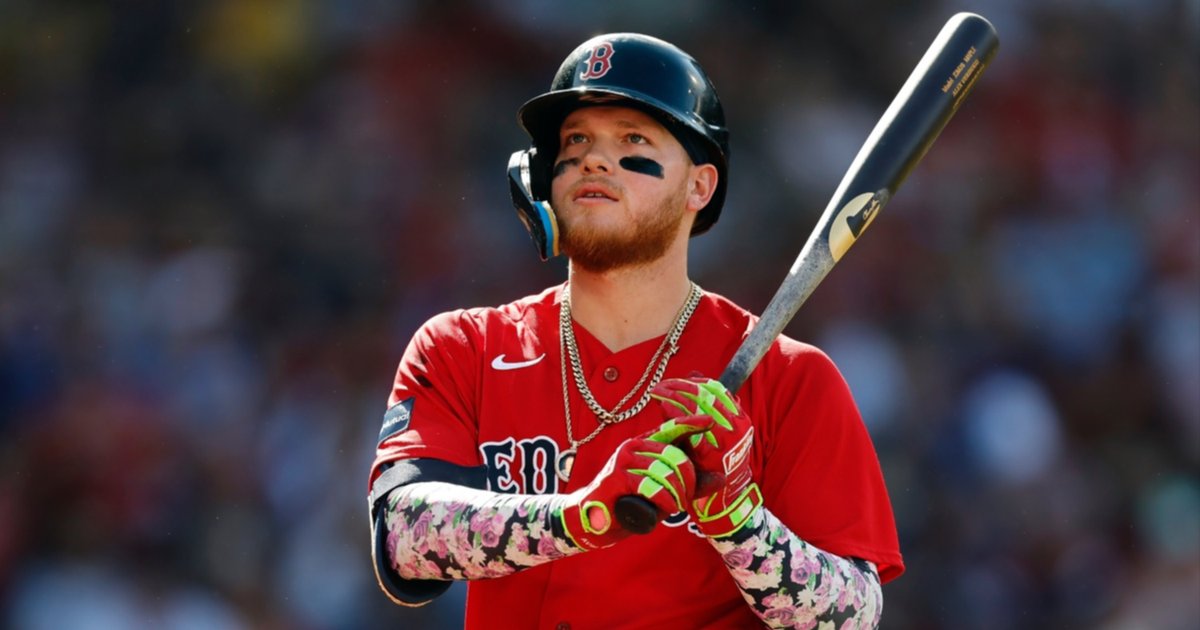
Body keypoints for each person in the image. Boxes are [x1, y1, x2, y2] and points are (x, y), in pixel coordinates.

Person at [368, 33, 904, 629]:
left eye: (633, 140)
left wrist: (738, 521)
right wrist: (579, 517)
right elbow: (405, 537)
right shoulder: (463, 348)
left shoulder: (790, 378)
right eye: (576, 142)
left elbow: (853, 616)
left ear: (699, 186)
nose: (594, 160)